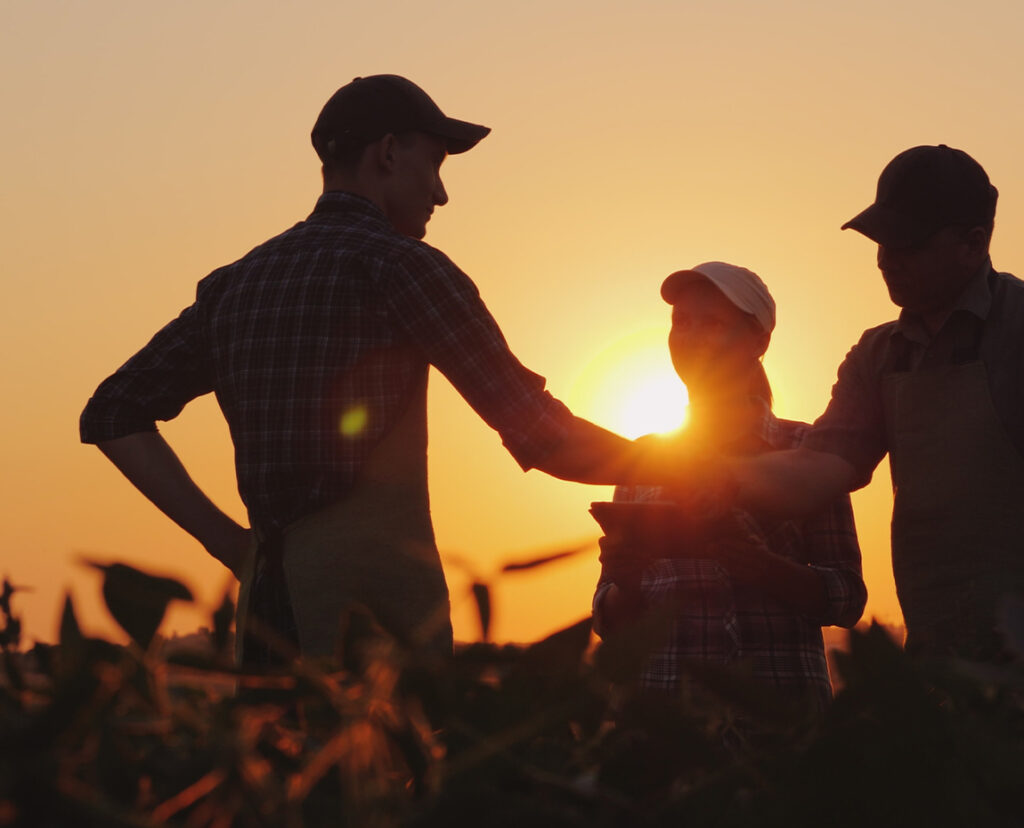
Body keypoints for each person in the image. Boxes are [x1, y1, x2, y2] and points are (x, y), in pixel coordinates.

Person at [79, 75, 680, 666]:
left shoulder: (235, 285)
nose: (441, 194)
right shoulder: (402, 268)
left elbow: (113, 411)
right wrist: (687, 472)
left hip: (266, 621)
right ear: (389, 153)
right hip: (377, 635)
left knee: (272, 766)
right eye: (436, 164)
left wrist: (235, 547)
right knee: (390, 767)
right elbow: (544, 436)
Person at [695, 145, 1024, 662]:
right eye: (880, 241)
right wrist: (710, 477)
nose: (886, 259)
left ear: (973, 243)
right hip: (943, 663)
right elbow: (818, 468)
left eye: (907, 243)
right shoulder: (879, 356)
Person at [591, 262, 866, 711]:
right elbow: (609, 617)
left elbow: (848, 598)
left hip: (780, 719)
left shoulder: (807, 451)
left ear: (759, 341)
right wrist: (627, 579)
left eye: (713, 322)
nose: (692, 336)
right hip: (664, 721)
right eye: (681, 322)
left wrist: (764, 568)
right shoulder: (642, 459)